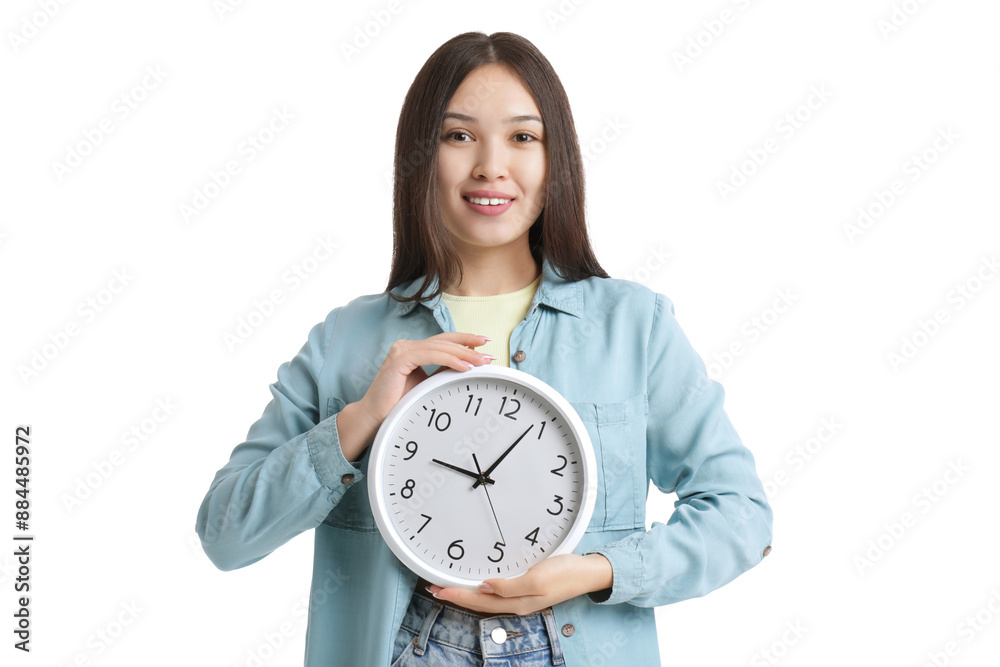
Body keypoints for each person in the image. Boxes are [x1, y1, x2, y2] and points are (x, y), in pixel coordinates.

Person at [196, 31, 773, 667]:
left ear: (557, 159)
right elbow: (226, 533)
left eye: (523, 137)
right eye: (459, 135)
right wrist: (359, 421)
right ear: (422, 156)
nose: (491, 166)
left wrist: (593, 572)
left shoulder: (634, 327)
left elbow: (740, 516)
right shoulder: (347, 339)